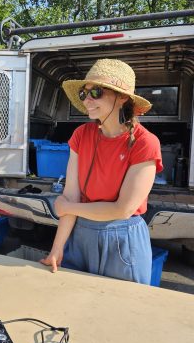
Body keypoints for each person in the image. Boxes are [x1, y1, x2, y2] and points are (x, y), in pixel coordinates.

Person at [40, 59, 163, 284]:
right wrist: (57, 249)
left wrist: (69, 207)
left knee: (120, 312)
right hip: (81, 234)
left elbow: (122, 209)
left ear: (122, 97)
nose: (87, 100)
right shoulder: (81, 135)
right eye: (83, 94)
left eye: (95, 92)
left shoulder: (146, 143)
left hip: (123, 239)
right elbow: (71, 194)